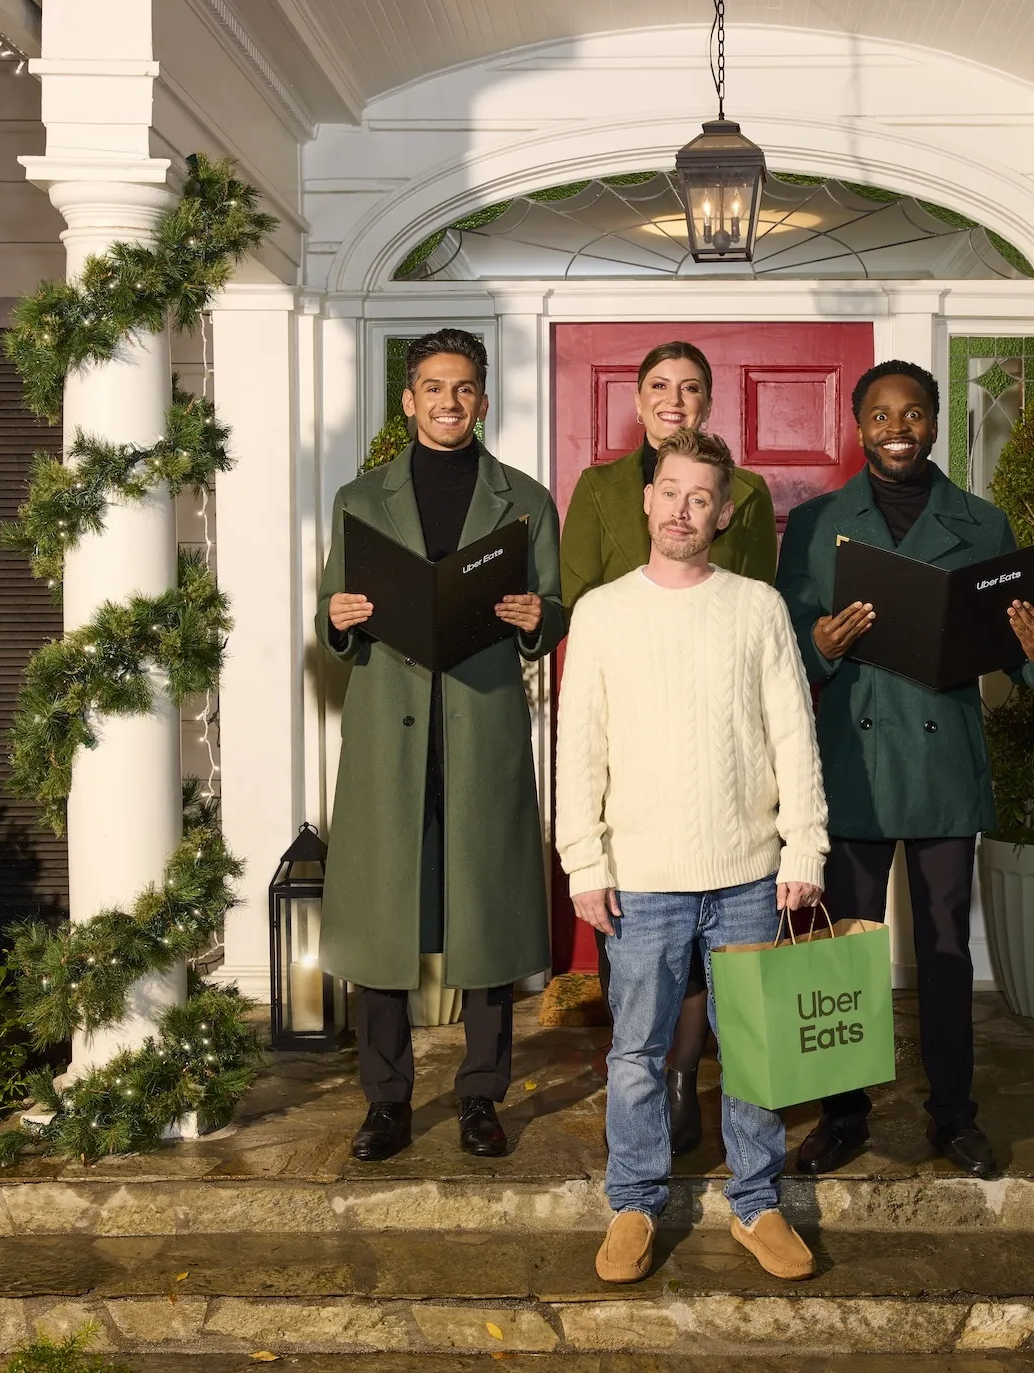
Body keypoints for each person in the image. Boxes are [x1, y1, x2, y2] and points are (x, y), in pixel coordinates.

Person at [775, 360, 1034, 1182]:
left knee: (943, 950)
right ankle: (843, 1114)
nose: (896, 427)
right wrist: (819, 645)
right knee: (846, 952)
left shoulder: (980, 522)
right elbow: (783, 636)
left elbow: (1021, 640)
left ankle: (953, 1114)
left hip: (942, 762)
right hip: (852, 765)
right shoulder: (818, 522)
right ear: (858, 426)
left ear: (936, 424)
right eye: (879, 414)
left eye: (912, 413)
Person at [556, 427, 827, 1285]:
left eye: (700, 497)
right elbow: (580, 748)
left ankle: (757, 1202)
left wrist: (804, 846)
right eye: (670, 491)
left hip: (748, 871)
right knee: (636, 1052)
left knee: (750, 1051)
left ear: (723, 511)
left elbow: (793, 733)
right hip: (640, 878)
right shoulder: (601, 611)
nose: (682, 510)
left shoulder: (756, 606)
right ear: (647, 498)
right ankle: (634, 1202)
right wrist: (582, 861)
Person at [316, 327, 567, 1164]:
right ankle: (386, 1101)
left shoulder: (527, 501)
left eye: (463, 388)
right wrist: (338, 618)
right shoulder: (358, 499)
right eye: (433, 386)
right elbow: (331, 612)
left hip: (483, 726)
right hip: (388, 736)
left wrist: (539, 620)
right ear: (408, 398)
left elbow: (553, 607)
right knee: (385, 916)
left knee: (484, 913)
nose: (448, 402)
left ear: (483, 400)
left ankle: (481, 1096)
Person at [558, 341, 777, 1158]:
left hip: (719, 762)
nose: (674, 398)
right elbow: (578, 594)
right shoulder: (602, 489)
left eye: (691, 387)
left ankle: (694, 1082)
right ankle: (651, 1129)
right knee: (649, 969)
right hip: (634, 734)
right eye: (659, 385)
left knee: (732, 981)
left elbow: (755, 614)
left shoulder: (744, 496)